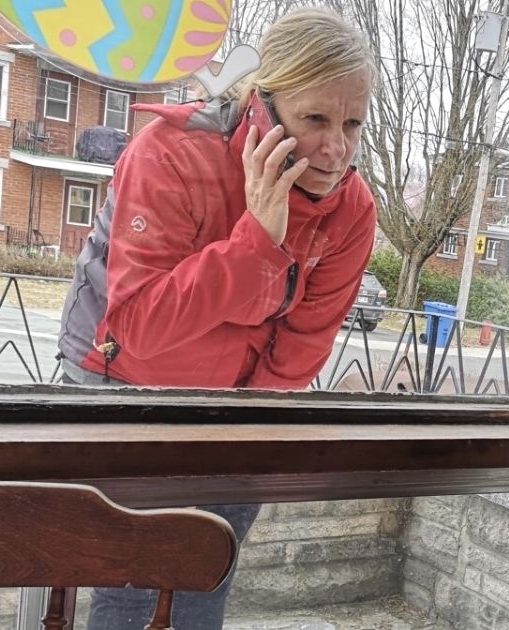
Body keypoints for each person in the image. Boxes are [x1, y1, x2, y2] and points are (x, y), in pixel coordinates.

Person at [56, 8, 377, 630]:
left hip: (236, 408)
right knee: (128, 587)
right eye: (314, 119)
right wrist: (257, 242)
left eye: (352, 124)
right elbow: (138, 325)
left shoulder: (352, 211)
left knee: (204, 580)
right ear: (261, 106)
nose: (336, 149)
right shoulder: (170, 152)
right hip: (122, 385)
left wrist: (229, 438)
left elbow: (304, 345)